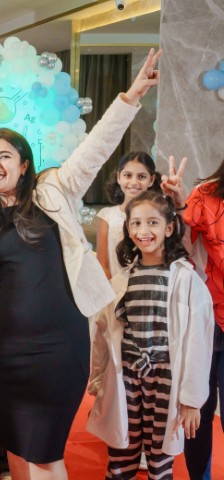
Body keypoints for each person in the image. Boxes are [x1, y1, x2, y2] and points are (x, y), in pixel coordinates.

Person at [0, 48, 162, 479]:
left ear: (24, 164)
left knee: (46, 452)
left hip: (58, 349)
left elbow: (97, 147)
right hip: (1, 352)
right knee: (16, 444)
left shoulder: (55, 191)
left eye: (4, 156)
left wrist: (131, 96)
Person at [87, 191, 214, 479]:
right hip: (127, 378)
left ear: (169, 228)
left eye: (152, 223)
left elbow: (199, 342)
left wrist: (192, 399)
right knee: (121, 451)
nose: (143, 231)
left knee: (160, 456)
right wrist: (97, 379)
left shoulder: (186, 279)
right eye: (136, 223)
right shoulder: (123, 279)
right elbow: (103, 333)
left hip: (165, 380)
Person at [182, 159, 224, 480]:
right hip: (205, 317)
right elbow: (179, 246)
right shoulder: (204, 195)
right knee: (198, 409)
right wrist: (174, 203)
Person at [96, 151, 160, 279]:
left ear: (151, 180)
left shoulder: (158, 217)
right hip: (114, 286)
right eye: (128, 175)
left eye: (141, 177)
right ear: (119, 177)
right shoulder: (107, 215)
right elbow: (102, 264)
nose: (134, 182)